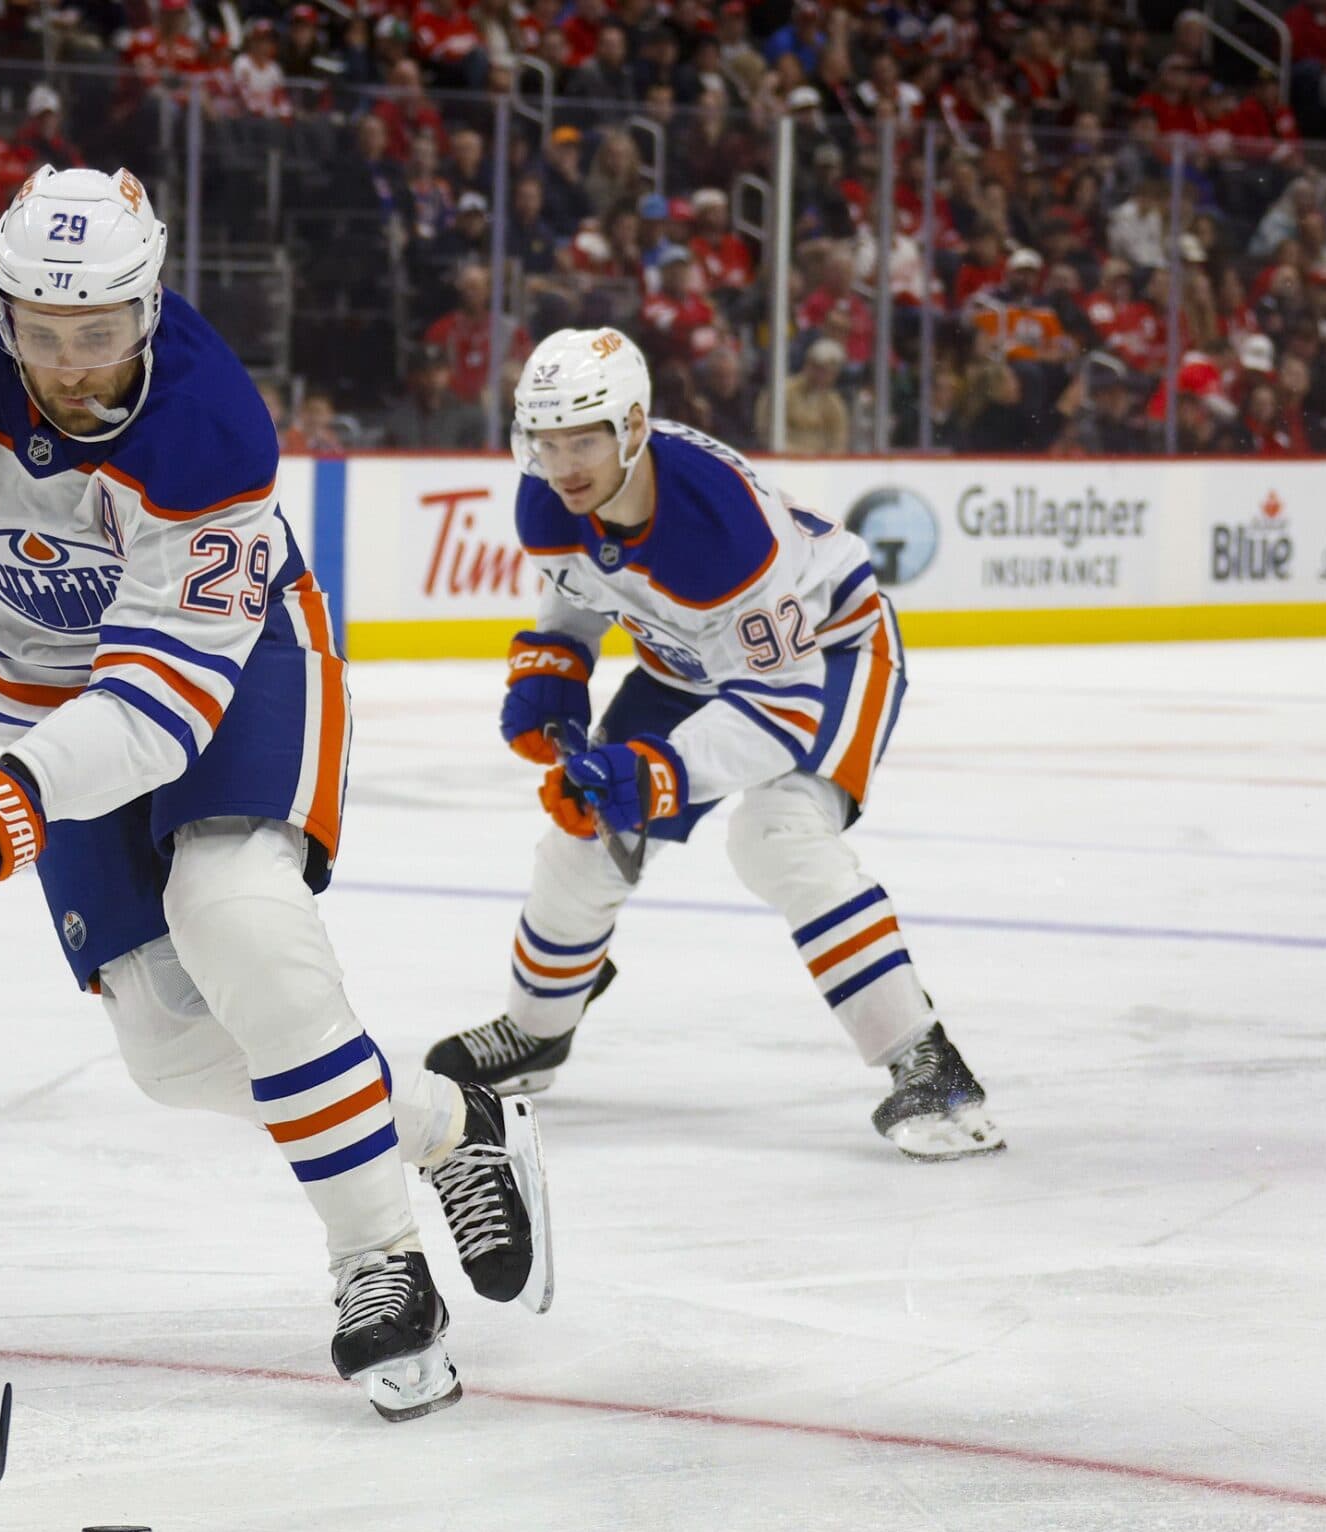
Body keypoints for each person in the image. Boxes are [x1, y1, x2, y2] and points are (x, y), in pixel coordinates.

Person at [0, 165, 555, 1422]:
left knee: (234, 912)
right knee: (167, 1043)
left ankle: (378, 1262)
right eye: (42, 333)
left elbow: (157, 712)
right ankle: (450, 1122)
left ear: (148, 307)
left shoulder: (210, 428)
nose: (71, 364)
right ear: (2, 311)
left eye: (99, 334)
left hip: (233, 667)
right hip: (33, 691)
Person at [424, 327, 1003, 1163]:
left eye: (582, 439)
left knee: (778, 837)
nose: (563, 463)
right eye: (545, 441)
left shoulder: (724, 527)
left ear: (631, 428)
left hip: (830, 654)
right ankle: (538, 1030)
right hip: (687, 658)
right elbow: (585, 586)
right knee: (585, 832)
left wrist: (657, 774)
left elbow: (784, 709)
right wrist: (558, 663)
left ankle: (928, 1063)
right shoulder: (548, 497)